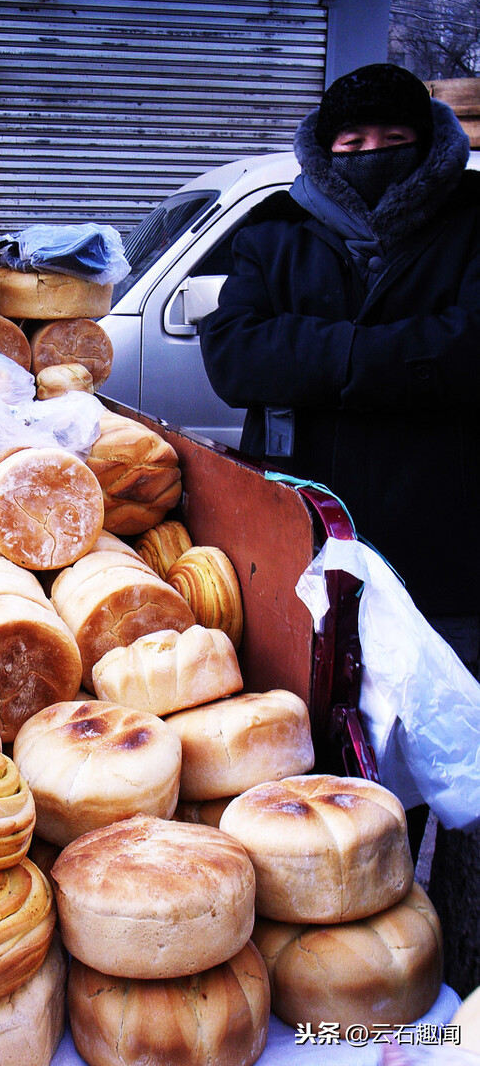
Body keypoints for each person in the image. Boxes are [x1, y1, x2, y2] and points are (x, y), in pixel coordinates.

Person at [198, 61, 480, 997]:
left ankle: (456, 969)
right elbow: (236, 358)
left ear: (424, 140)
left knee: (460, 760)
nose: (363, 158)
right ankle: (328, 968)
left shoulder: (473, 216)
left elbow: (473, 349)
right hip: (307, 548)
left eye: (385, 143)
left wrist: (317, 357)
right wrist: (403, 358)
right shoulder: (276, 229)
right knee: (321, 760)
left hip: (447, 538)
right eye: (346, 145)